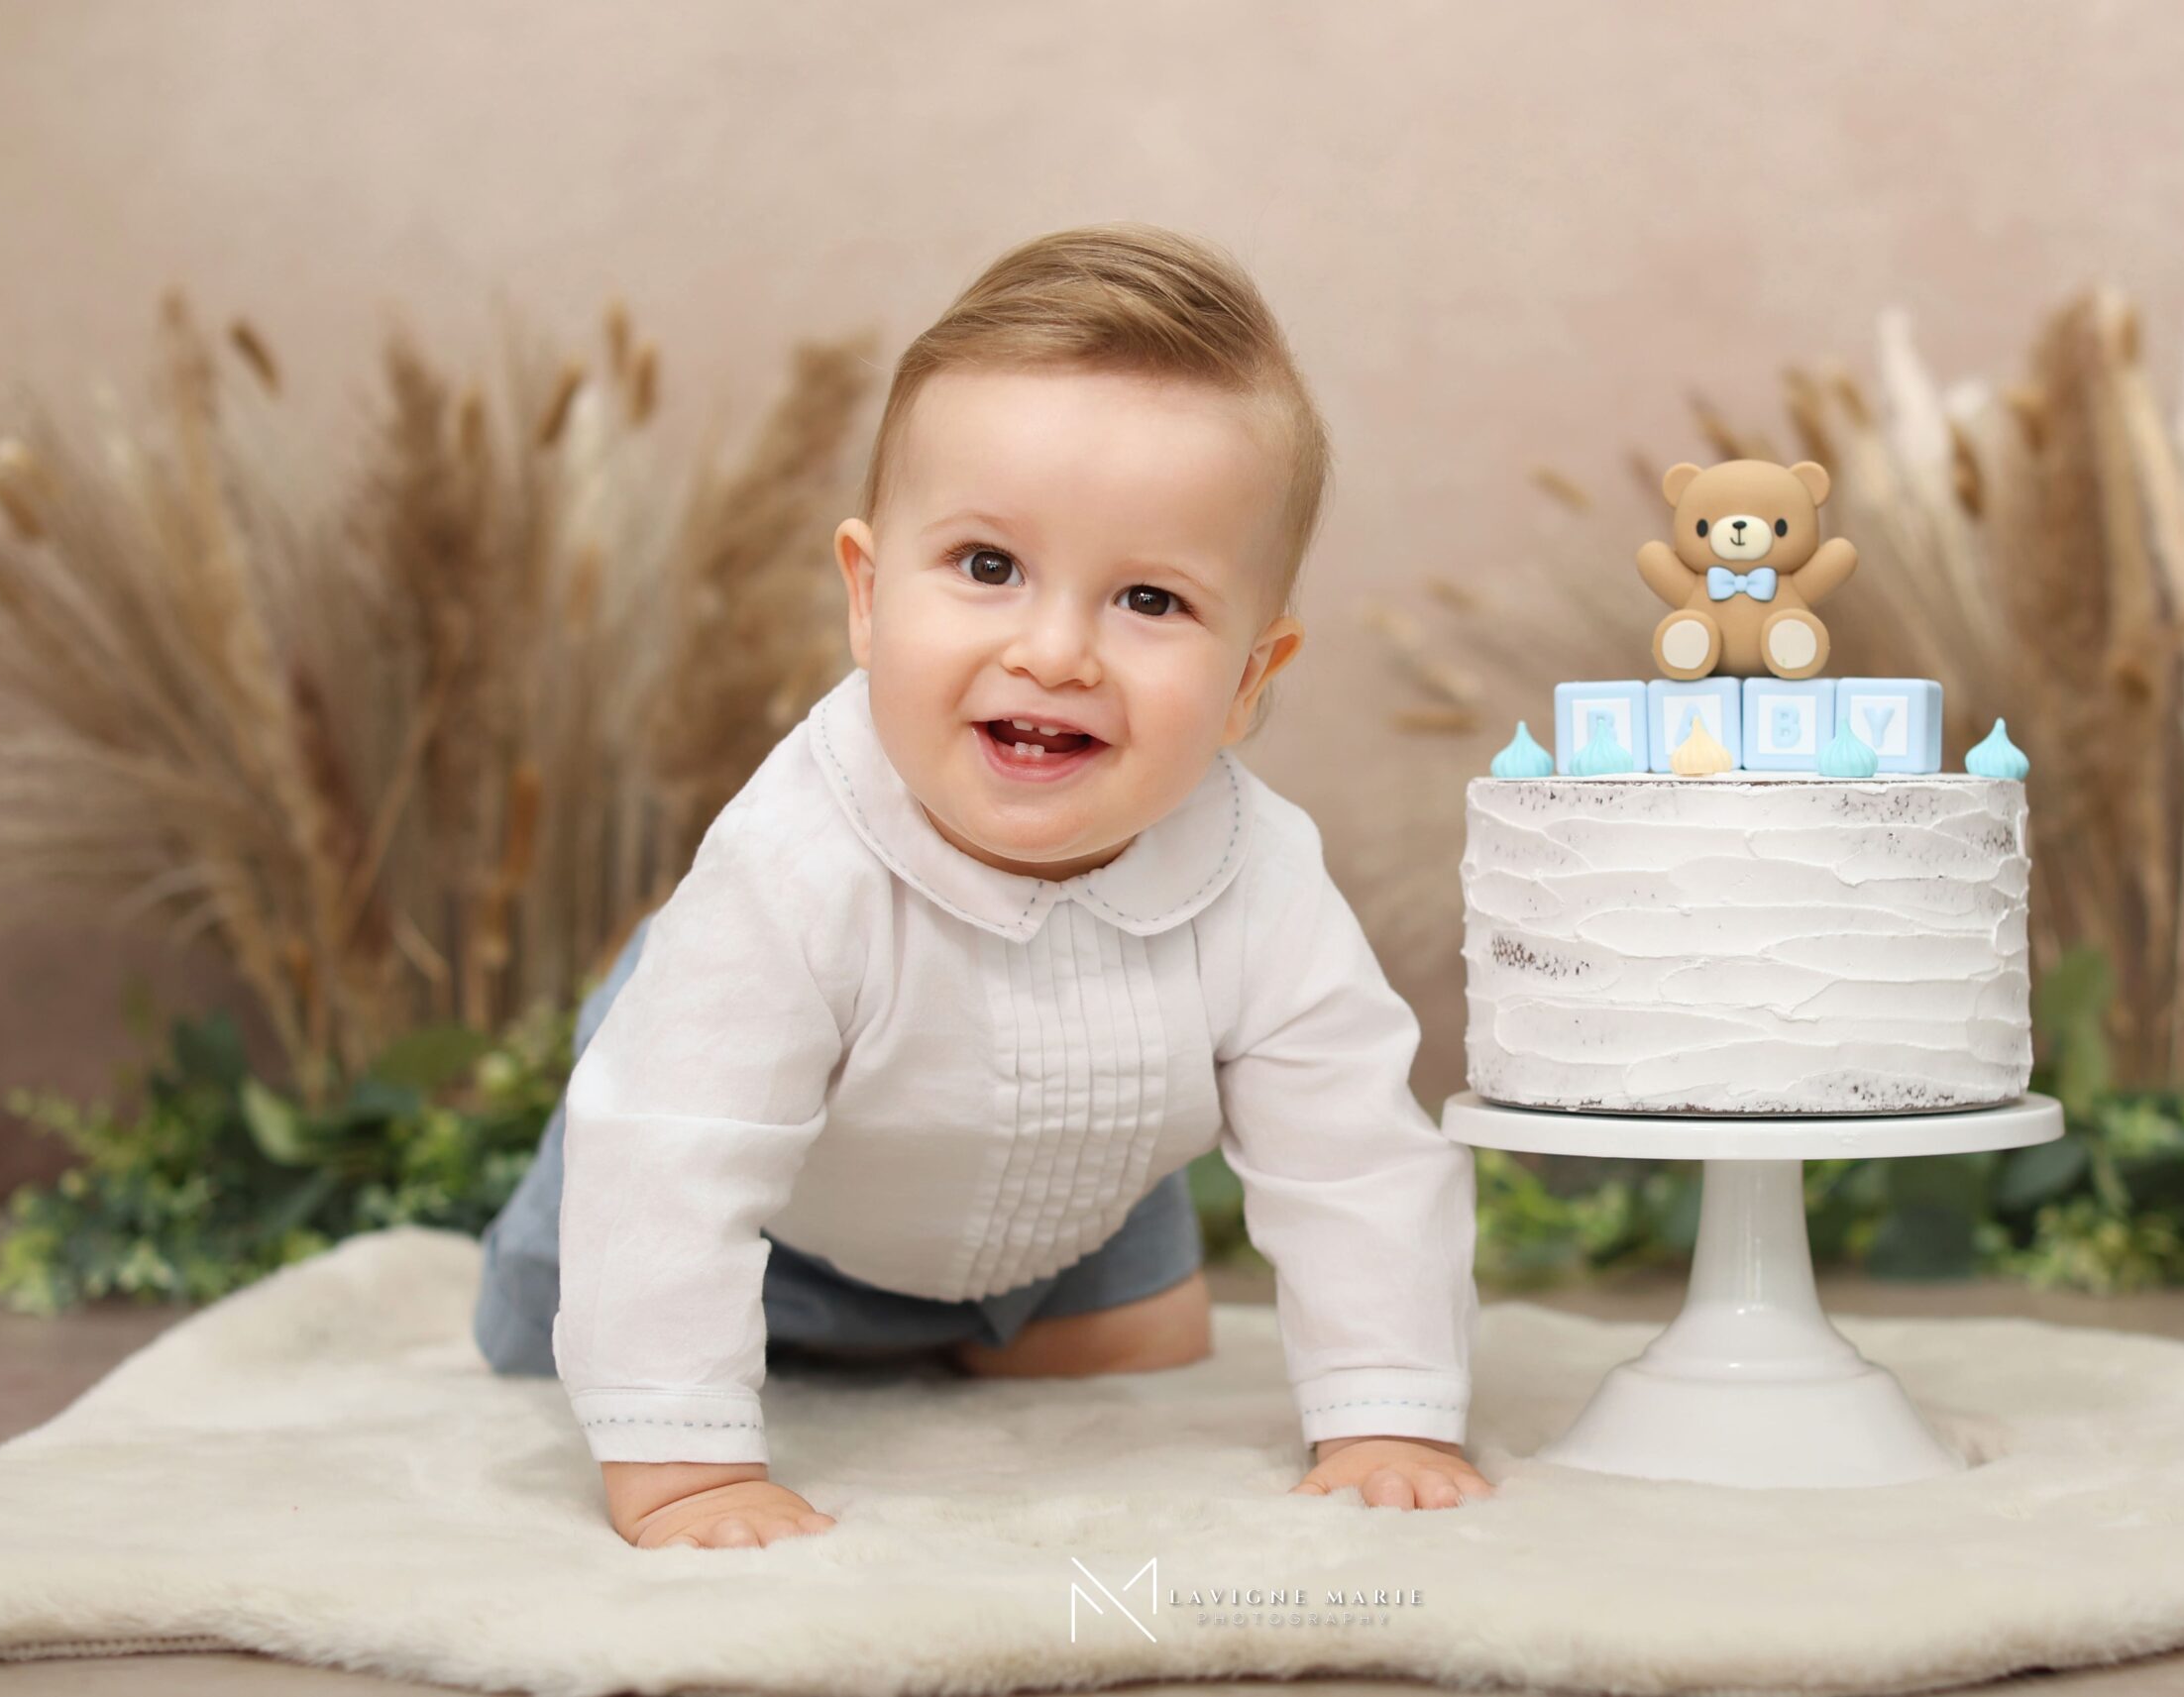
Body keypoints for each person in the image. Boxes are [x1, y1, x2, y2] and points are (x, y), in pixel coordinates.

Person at [474, 223, 1490, 1550]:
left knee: (1152, 1347)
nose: (1055, 650)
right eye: (990, 567)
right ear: (866, 592)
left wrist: (1389, 1415)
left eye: (1148, 598)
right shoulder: (797, 862)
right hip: (767, 1193)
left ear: (1252, 677)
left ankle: (978, 1321)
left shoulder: (1263, 879)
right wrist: (685, 1468)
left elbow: (1354, 1155)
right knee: (576, 1330)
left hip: (1053, 1196)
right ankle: (710, 1354)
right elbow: (672, 1157)